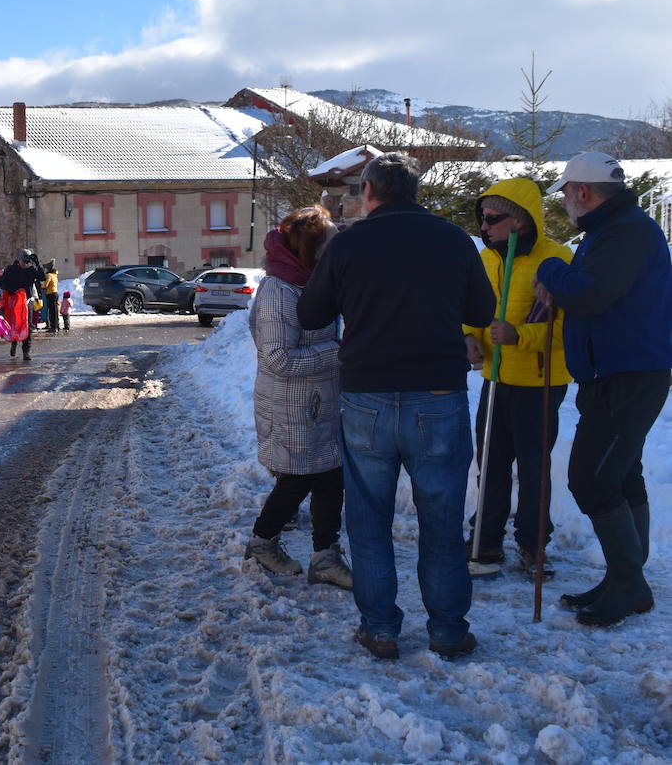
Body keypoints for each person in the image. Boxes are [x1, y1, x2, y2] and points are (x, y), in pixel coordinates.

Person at [299, 153, 495, 661]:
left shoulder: (350, 244)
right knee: (442, 519)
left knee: (368, 519)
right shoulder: (453, 239)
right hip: (438, 396)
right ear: (415, 191)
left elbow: (311, 311)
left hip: (367, 397)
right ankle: (449, 631)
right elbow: (481, 312)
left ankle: (381, 629)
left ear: (368, 192)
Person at [533, 152, 672, 625]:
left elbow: (591, 293)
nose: (566, 203)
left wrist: (551, 270)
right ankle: (624, 580)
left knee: (590, 479)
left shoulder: (625, 231)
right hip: (613, 371)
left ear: (584, 193)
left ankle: (630, 583)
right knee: (620, 473)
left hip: (629, 374)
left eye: (568, 193)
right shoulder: (612, 230)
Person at [462, 178, 571, 579]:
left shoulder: (556, 260)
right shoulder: (487, 259)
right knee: (489, 462)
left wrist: (520, 335)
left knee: (532, 467)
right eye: (481, 218)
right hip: (496, 378)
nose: (484, 227)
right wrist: (469, 337)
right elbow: (470, 309)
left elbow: (570, 327)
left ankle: (533, 545)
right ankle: (484, 541)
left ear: (520, 220)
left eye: (492, 219)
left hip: (540, 383)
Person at [244, 205, 352, 590]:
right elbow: (277, 358)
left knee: (329, 480)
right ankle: (262, 543)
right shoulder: (279, 292)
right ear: (311, 251)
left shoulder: (307, 284)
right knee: (296, 482)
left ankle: (325, 556)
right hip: (291, 407)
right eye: (330, 248)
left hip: (316, 405)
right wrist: (340, 352)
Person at [0, 250, 46, 360]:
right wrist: (9, 290)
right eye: (24, 261)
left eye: (27, 261)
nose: (25, 264)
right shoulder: (10, 269)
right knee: (14, 325)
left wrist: (38, 264)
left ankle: (26, 351)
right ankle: (14, 344)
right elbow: (1, 282)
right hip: (13, 302)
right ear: (19, 260)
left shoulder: (31, 270)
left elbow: (43, 277)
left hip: (26, 302)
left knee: (27, 326)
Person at [43, 259, 60, 333]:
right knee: (55, 311)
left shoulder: (49, 275)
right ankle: (57, 326)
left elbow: (45, 284)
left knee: (52, 311)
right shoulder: (55, 275)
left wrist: (42, 286)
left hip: (50, 294)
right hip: (56, 293)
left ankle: (53, 327)